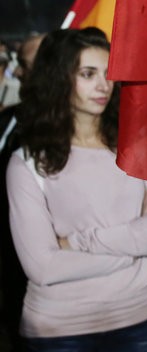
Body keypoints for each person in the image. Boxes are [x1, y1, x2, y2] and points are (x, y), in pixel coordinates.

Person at [6, 28, 147, 350]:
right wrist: (136, 249)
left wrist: (77, 242)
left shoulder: (141, 148)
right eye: (88, 74)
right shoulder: (27, 163)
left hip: (139, 320)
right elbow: (43, 267)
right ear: (59, 79)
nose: (103, 85)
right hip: (59, 331)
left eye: (107, 73)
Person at [0, 33, 44, 350]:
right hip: (12, 256)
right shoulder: (9, 119)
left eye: (24, 65)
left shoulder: (89, 128)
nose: (16, 71)